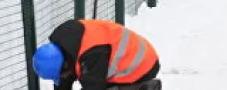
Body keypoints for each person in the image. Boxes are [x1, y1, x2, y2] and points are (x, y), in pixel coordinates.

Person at [32, 19, 161, 90]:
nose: (63, 77)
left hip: (141, 65)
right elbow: (64, 82)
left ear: (65, 65)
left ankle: (146, 87)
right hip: (126, 57)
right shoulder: (66, 47)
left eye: (61, 74)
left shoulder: (91, 56)